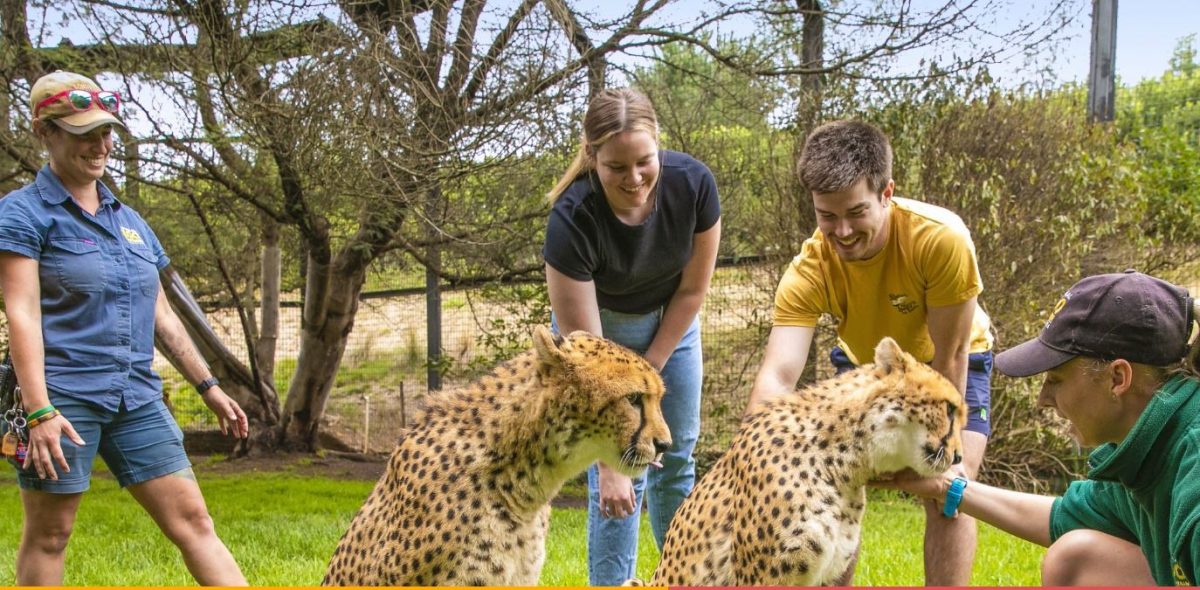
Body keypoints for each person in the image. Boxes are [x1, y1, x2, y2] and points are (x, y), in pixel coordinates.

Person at [0, 70, 249, 586]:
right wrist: (38, 409)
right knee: (50, 535)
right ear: (45, 132)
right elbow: (20, 313)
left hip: (136, 398)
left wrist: (210, 386)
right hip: (63, 400)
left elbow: (160, 313)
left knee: (195, 522)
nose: (99, 144)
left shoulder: (130, 220)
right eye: (83, 133)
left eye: (106, 131)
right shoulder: (23, 214)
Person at [746, 119, 994, 585]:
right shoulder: (810, 268)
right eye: (826, 215)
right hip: (867, 370)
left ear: (886, 193)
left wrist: (947, 450)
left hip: (952, 363)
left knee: (951, 492)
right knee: (832, 489)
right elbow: (778, 376)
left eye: (856, 212)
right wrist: (756, 457)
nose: (841, 231)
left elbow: (951, 354)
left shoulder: (940, 239)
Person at [879, 270, 1200, 586]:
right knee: (1074, 560)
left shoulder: (1193, 460)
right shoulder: (1148, 448)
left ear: (1117, 378)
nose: (1043, 399)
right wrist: (944, 486)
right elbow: (1065, 516)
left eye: (1056, 380)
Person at [543, 87, 721, 586]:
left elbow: (692, 291)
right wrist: (609, 458)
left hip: (672, 323)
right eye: (616, 168)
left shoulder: (694, 185)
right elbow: (590, 361)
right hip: (596, 339)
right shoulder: (571, 219)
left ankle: (685, 578)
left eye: (644, 161)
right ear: (592, 158)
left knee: (674, 456)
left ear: (658, 147)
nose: (634, 178)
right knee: (620, 477)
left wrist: (654, 364)